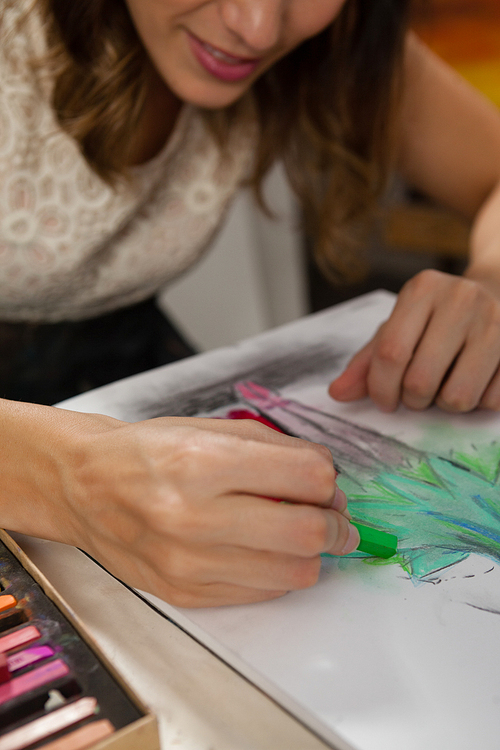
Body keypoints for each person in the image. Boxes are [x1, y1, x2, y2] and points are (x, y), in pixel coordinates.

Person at [0, 0, 499, 608]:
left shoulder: (340, 32)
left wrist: (493, 281)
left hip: (130, 376)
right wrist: (68, 480)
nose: (256, 28)